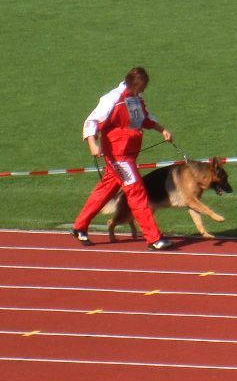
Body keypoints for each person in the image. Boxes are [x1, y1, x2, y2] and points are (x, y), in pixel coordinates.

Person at [72, 67, 174, 250]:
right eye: (142, 86)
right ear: (135, 83)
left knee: (105, 190)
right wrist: (93, 145)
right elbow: (92, 121)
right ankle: (153, 238)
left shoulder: (135, 99)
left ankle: (79, 225)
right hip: (118, 157)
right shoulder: (112, 99)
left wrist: (162, 130)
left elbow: (144, 119)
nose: (143, 90)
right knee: (137, 192)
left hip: (128, 155)